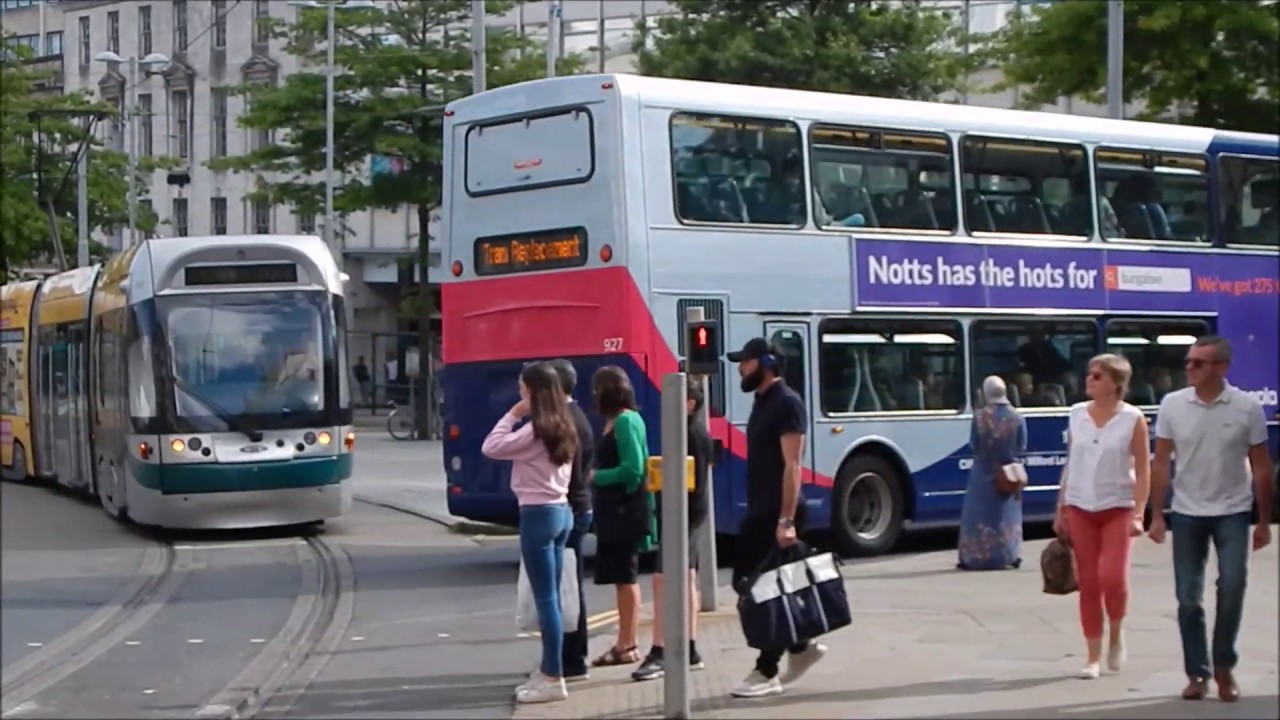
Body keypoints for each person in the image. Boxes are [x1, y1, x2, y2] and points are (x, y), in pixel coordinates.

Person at [1147, 336, 1273, 703]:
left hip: (1233, 511)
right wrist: (1157, 514)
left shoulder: (1247, 408)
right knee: (1188, 597)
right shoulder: (1173, 405)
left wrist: (1263, 521)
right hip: (1187, 512)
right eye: (1188, 362)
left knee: (1232, 588)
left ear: (1221, 368)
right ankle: (1196, 673)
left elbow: (1262, 466)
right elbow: (1161, 461)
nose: (1189, 368)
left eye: (1198, 363)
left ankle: (1223, 666)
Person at [726, 337, 826, 699]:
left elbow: (793, 465)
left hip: (778, 511)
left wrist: (786, 520)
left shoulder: (788, 403)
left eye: (746, 362)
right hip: (760, 509)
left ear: (766, 362)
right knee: (752, 584)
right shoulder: (763, 402)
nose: (740, 367)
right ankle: (800, 646)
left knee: (762, 589)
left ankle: (767, 669)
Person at [480, 362, 578, 704]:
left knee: (547, 600)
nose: (519, 393)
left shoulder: (535, 429)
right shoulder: (563, 425)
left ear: (533, 392)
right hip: (561, 511)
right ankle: (549, 669)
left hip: (538, 514)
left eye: (523, 388)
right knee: (550, 596)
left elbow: (491, 446)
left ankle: (553, 676)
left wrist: (512, 413)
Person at [1052, 354, 1150, 679]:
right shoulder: (1076, 414)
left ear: (1115, 384)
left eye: (1097, 376)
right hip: (1081, 504)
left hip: (1118, 505)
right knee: (1089, 581)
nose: (1089, 380)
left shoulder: (1132, 418)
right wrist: (1061, 507)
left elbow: (1144, 468)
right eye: (1089, 374)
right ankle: (1092, 655)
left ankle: (1117, 633)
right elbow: (1071, 463)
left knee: (1113, 577)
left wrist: (1139, 512)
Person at [632, 382, 714, 681]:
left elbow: (687, 478)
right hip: (691, 512)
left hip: (683, 513)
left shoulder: (688, 434)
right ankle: (689, 649)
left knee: (662, 579)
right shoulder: (696, 432)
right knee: (687, 578)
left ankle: (661, 650)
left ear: (690, 403)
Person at [589, 366, 656, 669]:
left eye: (597, 389)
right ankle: (625, 643)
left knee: (626, 577)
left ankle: (627, 644)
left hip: (624, 510)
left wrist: (596, 477)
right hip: (616, 511)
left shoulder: (626, 421)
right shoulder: (621, 421)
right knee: (621, 578)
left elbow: (634, 469)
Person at [547, 359, 595, 683]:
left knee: (566, 587)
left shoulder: (566, 420)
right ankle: (571, 656)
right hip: (579, 506)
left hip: (571, 508)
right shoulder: (577, 415)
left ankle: (572, 658)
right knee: (569, 585)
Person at [957, 376, 1027, 571]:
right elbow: (1021, 445)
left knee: (979, 514)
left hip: (983, 473)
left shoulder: (980, 417)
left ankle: (976, 556)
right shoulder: (1016, 417)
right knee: (1007, 515)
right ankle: (1008, 554)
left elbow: (975, 445)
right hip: (1008, 474)